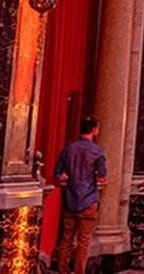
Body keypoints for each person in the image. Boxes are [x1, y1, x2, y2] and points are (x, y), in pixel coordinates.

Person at [53, 116, 107, 274]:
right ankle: (79, 271)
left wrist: (68, 177)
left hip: (70, 199)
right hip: (89, 200)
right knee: (84, 241)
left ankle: (63, 269)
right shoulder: (97, 151)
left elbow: (57, 173)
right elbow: (102, 176)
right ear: (94, 130)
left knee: (67, 238)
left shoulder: (69, 149)